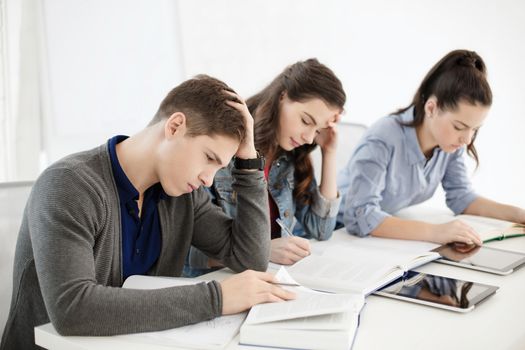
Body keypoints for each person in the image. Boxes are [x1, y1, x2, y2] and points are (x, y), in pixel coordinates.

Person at [1, 75, 295, 350]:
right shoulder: (68, 184)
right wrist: (216, 298)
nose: (208, 178)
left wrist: (248, 161)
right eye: (209, 158)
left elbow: (250, 259)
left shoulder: (183, 195)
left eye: (219, 166)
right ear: (175, 126)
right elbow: (73, 309)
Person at [338, 49, 525, 245]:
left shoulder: (450, 144)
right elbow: (360, 216)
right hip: (332, 232)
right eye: (459, 127)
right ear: (431, 108)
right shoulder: (384, 136)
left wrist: (519, 215)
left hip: (371, 239)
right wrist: (435, 232)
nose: (467, 140)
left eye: (474, 129)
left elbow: (462, 198)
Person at [185, 59, 346, 276]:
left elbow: (322, 229)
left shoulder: (291, 157)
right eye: (306, 121)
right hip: (219, 281)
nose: (308, 138)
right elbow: (187, 252)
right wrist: (262, 251)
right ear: (283, 96)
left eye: (318, 130)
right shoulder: (224, 148)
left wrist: (329, 151)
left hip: (270, 276)